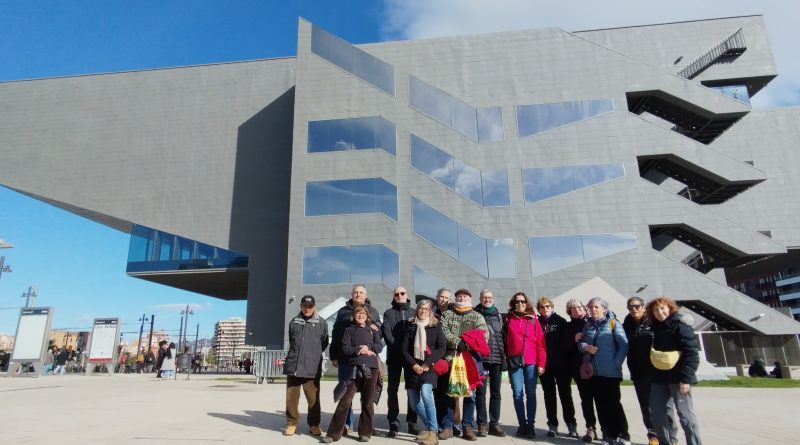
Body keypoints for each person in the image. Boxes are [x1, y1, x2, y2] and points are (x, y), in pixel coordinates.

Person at [323, 304, 384, 443]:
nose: (361, 315)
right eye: (358, 313)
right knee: (345, 401)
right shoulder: (348, 330)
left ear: (367, 316)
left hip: (371, 367)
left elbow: (379, 347)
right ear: (354, 316)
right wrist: (358, 349)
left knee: (368, 402)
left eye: (363, 313)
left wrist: (369, 347)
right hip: (354, 368)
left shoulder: (372, 330)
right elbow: (344, 348)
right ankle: (333, 434)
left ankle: (365, 432)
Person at [646, 297, 702, 445]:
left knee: (685, 415)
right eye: (656, 310)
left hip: (678, 378)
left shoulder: (680, 326)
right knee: (657, 413)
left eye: (662, 308)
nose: (660, 312)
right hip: (659, 378)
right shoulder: (654, 328)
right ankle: (667, 442)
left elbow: (691, 354)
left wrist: (686, 379)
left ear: (670, 308)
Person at [623, 297, 677, 445]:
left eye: (637, 306)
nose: (634, 309)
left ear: (643, 307)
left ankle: (671, 437)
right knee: (646, 406)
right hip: (638, 371)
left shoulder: (654, 322)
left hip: (658, 371)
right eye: (630, 307)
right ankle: (653, 435)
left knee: (666, 406)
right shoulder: (625, 326)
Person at [578, 297, 630, 445]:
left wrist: (616, 362)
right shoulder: (588, 325)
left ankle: (622, 434)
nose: (593, 310)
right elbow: (581, 343)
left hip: (610, 372)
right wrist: (585, 347)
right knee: (600, 404)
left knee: (613, 404)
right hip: (593, 372)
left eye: (596, 307)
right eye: (591, 307)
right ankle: (608, 434)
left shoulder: (613, 324)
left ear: (604, 309)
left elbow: (624, 345)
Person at [438, 288, 488, 441]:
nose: (462, 298)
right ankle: (447, 426)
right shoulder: (447, 314)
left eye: (465, 296)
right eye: (459, 296)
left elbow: (483, 335)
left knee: (470, 395)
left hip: (471, 360)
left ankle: (467, 426)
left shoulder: (477, 316)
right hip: (450, 358)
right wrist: (457, 341)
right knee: (448, 393)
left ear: (469, 298)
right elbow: (443, 331)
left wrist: (467, 344)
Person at [283, 295, 329, 437]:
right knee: (291, 398)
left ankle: (314, 425)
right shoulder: (294, 322)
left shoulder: (321, 323)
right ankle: (292, 423)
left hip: (311, 367)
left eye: (310, 306)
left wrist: (312, 355)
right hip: (294, 366)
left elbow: (324, 342)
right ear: (301, 306)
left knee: (313, 399)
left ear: (314, 306)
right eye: (305, 306)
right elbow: (292, 341)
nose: (307, 309)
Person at [401, 300, 446, 445]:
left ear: (430, 311)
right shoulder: (410, 326)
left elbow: (441, 348)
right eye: (420, 308)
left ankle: (433, 432)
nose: (422, 310)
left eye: (426, 309)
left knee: (426, 395)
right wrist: (413, 365)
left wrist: (429, 362)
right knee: (414, 403)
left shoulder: (435, 326)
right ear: (417, 310)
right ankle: (430, 427)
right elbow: (404, 349)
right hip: (412, 368)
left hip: (429, 368)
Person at [504, 291, 546, 439]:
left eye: (522, 301)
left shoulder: (533, 319)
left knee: (531, 394)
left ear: (526, 303)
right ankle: (522, 425)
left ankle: (530, 426)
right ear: (513, 303)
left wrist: (541, 363)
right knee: (517, 394)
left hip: (531, 362)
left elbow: (540, 343)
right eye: (517, 302)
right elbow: (504, 340)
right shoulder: (508, 319)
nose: (520, 304)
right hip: (515, 361)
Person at [536, 296, 576, 438]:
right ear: (539, 309)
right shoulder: (536, 322)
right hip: (544, 367)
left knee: (565, 395)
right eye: (542, 307)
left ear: (552, 307)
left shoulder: (561, 322)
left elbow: (566, 344)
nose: (545, 309)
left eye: (547, 306)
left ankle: (571, 425)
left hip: (562, 366)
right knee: (549, 396)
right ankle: (552, 425)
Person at [382, 286, 418, 437]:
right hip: (395, 356)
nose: (399, 296)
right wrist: (399, 349)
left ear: (406, 295)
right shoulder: (388, 313)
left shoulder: (414, 312)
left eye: (402, 293)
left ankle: (412, 421)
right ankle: (393, 421)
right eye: (396, 294)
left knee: (412, 390)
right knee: (392, 390)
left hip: (411, 358)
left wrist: (408, 353)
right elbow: (387, 332)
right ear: (394, 296)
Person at [561, 299, 599, 443]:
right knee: (586, 398)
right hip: (576, 367)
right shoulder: (567, 326)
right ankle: (590, 427)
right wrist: (574, 339)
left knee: (600, 398)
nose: (577, 310)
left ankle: (607, 429)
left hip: (594, 365)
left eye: (579, 307)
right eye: (573, 308)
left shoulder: (592, 322)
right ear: (569, 311)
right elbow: (563, 347)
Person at [473, 289, 506, 437]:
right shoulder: (475, 314)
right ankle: (481, 424)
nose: (487, 300)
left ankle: (494, 423)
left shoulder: (498, 315)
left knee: (496, 393)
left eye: (489, 297)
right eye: (484, 297)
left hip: (496, 359)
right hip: (481, 359)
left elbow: (502, 338)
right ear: (480, 299)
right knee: (481, 393)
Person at [432, 288, 452, 433]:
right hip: (434, 358)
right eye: (441, 296)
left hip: (449, 358)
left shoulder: (453, 314)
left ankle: (448, 425)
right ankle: (439, 423)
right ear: (437, 298)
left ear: (449, 300)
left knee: (447, 393)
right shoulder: (432, 314)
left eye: (446, 297)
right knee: (436, 392)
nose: (443, 299)